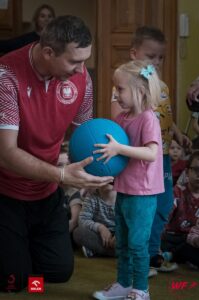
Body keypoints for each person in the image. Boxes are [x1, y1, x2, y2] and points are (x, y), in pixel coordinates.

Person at [0, 15, 113, 292]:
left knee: (58, 272)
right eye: (74, 62)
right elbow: (6, 154)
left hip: (47, 194)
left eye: (84, 60)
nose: (81, 70)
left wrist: (95, 171)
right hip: (7, 193)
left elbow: (83, 137)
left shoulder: (81, 77)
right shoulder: (6, 77)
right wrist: (63, 174)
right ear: (48, 52)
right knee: (14, 283)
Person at [111, 26, 190, 276]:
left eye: (160, 57)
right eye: (150, 56)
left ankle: (151, 253)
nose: (156, 62)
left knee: (165, 203)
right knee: (141, 207)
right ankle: (144, 256)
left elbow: (163, 118)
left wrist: (178, 134)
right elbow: (121, 121)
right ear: (134, 54)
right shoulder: (124, 88)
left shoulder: (160, 86)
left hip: (162, 155)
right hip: (140, 158)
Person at [93, 60, 164, 300]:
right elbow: (116, 152)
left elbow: (152, 153)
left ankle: (141, 289)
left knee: (137, 243)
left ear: (140, 91)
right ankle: (123, 283)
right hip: (124, 189)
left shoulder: (148, 118)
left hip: (143, 193)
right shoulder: (122, 119)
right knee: (121, 242)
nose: (115, 94)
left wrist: (120, 148)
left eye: (120, 89)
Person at [161, 151, 199, 269]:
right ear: (187, 172)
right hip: (171, 238)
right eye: (196, 169)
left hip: (193, 242)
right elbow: (164, 218)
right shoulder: (177, 192)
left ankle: (176, 256)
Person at [73, 184, 116, 258]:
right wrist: (100, 228)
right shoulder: (92, 197)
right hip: (100, 236)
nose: (109, 181)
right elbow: (82, 220)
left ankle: (99, 252)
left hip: (119, 236)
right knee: (78, 232)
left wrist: (119, 235)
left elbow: (131, 223)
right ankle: (116, 253)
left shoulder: (125, 198)